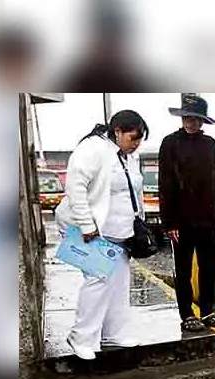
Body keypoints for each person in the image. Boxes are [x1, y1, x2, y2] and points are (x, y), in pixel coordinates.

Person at [56, 110, 148, 360]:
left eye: (140, 139)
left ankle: (113, 333)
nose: (137, 143)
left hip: (121, 231)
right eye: (133, 137)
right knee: (98, 280)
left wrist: (140, 221)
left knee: (118, 283)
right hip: (91, 228)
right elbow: (75, 188)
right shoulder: (93, 149)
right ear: (117, 131)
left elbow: (134, 189)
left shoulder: (129, 155)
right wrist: (87, 225)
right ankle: (81, 337)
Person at [158, 94, 215, 333]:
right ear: (182, 118)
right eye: (189, 118)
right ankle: (187, 313)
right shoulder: (169, 143)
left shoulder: (210, 145)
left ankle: (208, 310)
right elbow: (165, 184)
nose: (192, 123)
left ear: (203, 121)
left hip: (208, 218)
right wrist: (169, 222)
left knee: (209, 267)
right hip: (180, 221)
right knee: (183, 268)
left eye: (197, 119)